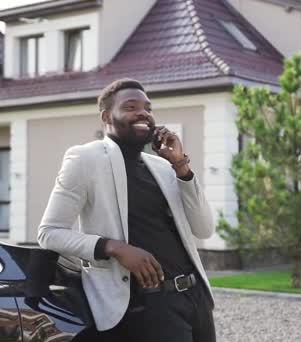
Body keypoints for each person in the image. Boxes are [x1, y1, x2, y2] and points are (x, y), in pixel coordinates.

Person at [38, 78, 216, 342]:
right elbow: (49, 233)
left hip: (196, 298)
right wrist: (115, 247)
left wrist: (181, 166)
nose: (143, 112)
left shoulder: (164, 168)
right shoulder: (85, 159)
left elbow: (204, 228)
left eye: (148, 107)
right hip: (152, 307)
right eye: (131, 107)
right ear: (107, 116)